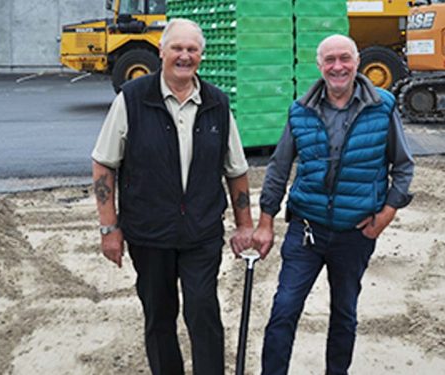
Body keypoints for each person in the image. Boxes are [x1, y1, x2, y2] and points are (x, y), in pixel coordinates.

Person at [91, 18, 253, 375]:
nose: (184, 56)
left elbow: (236, 170)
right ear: (161, 51)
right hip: (149, 233)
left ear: (201, 56)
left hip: (201, 233)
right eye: (177, 48)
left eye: (192, 49)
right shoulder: (132, 99)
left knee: (203, 311)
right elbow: (104, 166)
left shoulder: (217, 103)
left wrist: (245, 226)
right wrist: (109, 228)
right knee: (159, 317)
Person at [252, 34, 415, 375]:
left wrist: (385, 216)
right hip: (306, 231)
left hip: (354, 234)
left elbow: (403, 166)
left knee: (344, 314)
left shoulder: (382, 106)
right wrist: (266, 221)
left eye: (344, 59)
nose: (337, 66)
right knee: (284, 308)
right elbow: (279, 169)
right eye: (330, 60)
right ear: (319, 65)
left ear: (357, 62)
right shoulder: (300, 111)